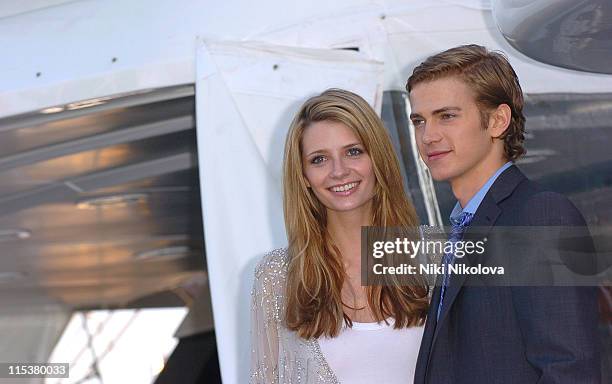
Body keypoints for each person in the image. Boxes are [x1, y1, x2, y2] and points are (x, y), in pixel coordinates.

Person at [406, 44, 600, 383]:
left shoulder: (539, 215)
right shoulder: (460, 227)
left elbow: (569, 369)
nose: (428, 136)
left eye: (446, 116)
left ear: (498, 120)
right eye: (419, 121)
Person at [250, 89, 430, 383]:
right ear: (304, 177)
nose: (339, 171)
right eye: (319, 159)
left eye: (353, 151)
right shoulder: (277, 276)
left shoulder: (434, 255)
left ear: (378, 159)